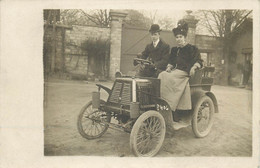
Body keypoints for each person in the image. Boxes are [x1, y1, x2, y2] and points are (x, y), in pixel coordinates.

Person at [158, 20, 203, 130]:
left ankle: (172, 107)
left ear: (185, 37)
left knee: (171, 78)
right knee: (162, 75)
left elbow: (199, 61)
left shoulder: (192, 49)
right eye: (177, 37)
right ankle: (163, 103)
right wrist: (169, 67)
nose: (178, 39)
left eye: (180, 37)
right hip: (175, 71)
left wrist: (194, 67)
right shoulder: (174, 50)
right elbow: (171, 62)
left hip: (184, 73)